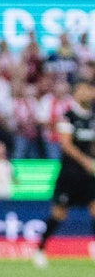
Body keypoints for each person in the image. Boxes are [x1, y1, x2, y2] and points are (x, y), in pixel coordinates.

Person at [33, 78, 95, 269]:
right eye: (84, 90)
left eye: (90, 90)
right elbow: (66, 145)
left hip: (89, 175)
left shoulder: (92, 118)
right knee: (59, 213)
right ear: (76, 93)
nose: (88, 93)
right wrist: (86, 161)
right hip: (70, 173)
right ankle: (40, 249)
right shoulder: (68, 116)